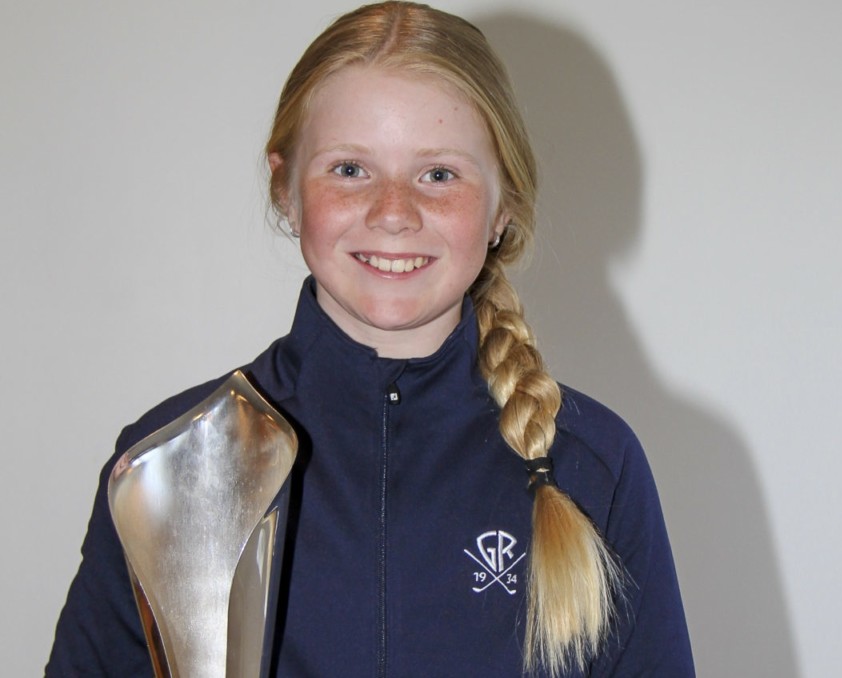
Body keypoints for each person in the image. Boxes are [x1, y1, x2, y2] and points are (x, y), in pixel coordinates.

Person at [46, 2, 694, 676]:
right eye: (350, 169)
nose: (393, 213)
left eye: (438, 174)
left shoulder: (593, 466)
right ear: (286, 188)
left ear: (502, 205)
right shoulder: (168, 466)